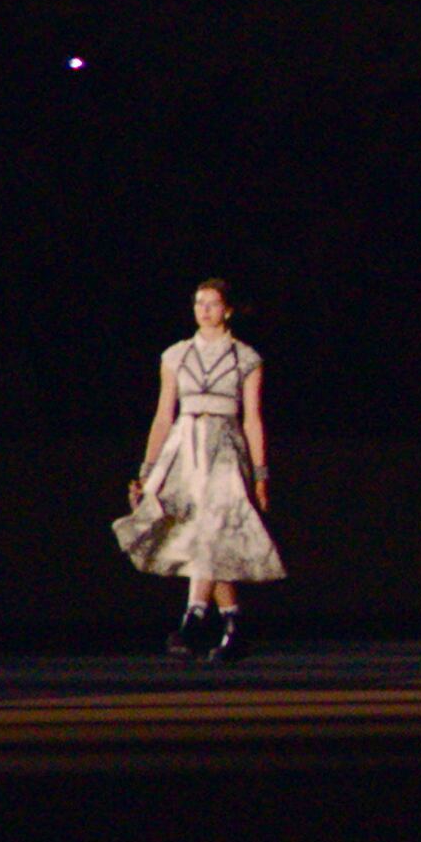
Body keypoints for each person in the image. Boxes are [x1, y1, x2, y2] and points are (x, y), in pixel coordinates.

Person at [115, 277, 284, 662]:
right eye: (198, 303)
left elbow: (253, 420)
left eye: (211, 303)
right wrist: (148, 468)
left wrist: (260, 474)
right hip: (185, 447)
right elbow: (163, 415)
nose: (203, 310)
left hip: (224, 448)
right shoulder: (175, 355)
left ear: (227, 309)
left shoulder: (246, 358)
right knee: (204, 535)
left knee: (210, 531)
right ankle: (233, 624)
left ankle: (194, 619)